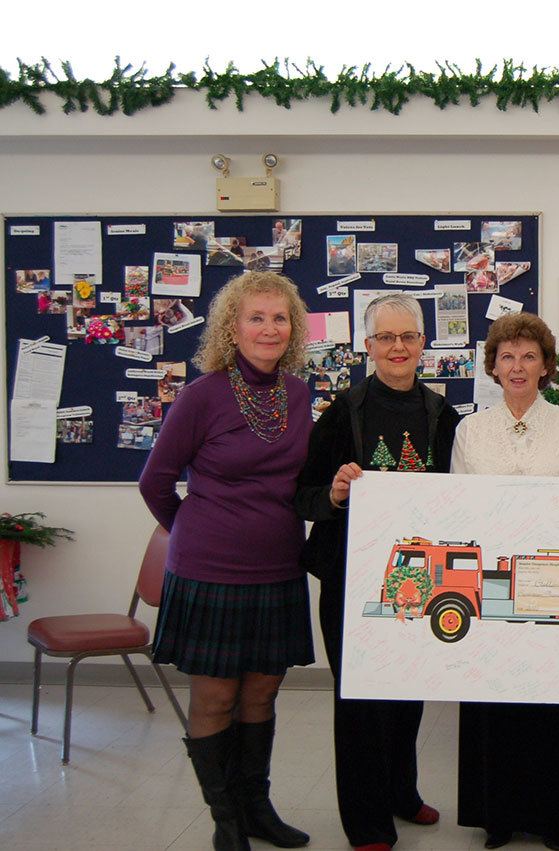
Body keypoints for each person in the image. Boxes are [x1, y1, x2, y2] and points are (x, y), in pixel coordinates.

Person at [139, 271, 314, 851]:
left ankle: (257, 806)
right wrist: (190, 528)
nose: (269, 328)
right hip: (209, 571)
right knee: (215, 697)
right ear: (231, 327)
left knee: (262, 692)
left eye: (279, 318)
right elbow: (155, 482)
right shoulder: (202, 394)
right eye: (256, 317)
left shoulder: (299, 394)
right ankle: (225, 819)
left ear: (292, 330)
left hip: (279, 567)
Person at [294, 293, 461, 851]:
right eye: (385, 338)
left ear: (422, 345)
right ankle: (366, 821)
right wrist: (336, 494)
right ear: (368, 347)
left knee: (409, 690)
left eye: (407, 337)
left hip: (419, 576)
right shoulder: (342, 412)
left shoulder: (443, 416)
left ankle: (400, 793)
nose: (397, 347)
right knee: (361, 700)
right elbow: (302, 496)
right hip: (352, 578)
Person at [450, 312, 559, 851]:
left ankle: (555, 815)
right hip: (489, 585)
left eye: (528, 356)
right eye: (507, 356)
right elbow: (459, 510)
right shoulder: (470, 429)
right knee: (496, 700)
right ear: (493, 366)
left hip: (552, 584)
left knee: (552, 701)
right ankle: (498, 815)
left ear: (545, 366)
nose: (517, 366)